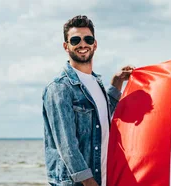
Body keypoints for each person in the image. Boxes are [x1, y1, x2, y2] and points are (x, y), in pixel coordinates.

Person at [42, 15, 134, 186]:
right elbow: (67, 145)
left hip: (104, 178)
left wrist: (117, 81)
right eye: (75, 40)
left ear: (95, 44)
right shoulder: (60, 88)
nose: (82, 44)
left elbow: (102, 118)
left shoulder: (96, 83)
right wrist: (90, 183)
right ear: (66, 46)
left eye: (88, 39)